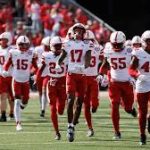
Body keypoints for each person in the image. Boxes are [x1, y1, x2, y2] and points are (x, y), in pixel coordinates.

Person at [56, 23, 93, 142]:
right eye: (77, 30)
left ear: (84, 33)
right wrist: (58, 64)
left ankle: (74, 122)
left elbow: (88, 58)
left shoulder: (87, 44)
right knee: (71, 100)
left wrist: (84, 67)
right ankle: (70, 126)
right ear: (73, 32)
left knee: (80, 101)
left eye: (81, 31)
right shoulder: (68, 43)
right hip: (71, 75)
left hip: (82, 75)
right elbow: (62, 57)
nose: (79, 33)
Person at [99, 31, 137, 140]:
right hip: (114, 83)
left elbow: (135, 65)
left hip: (127, 83)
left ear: (124, 42)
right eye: (113, 44)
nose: (115, 47)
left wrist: (134, 76)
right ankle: (116, 132)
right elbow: (105, 64)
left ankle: (130, 109)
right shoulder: (108, 50)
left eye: (118, 44)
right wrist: (102, 75)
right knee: (114, 104)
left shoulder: (130, 51)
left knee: (128, 108)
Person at [3, 35, 38, 131]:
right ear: (17, 44)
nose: (23, 47)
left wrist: (35, 73)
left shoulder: (31, 53)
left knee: (25, 100)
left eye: (25, 45)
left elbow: (35, 66)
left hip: (26, 81)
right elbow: (7, 64)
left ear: (28, 45)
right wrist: (5, 71)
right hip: (16, 80)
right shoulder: (13, 52)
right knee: (17, 100)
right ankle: (18, 123)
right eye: (21, 44)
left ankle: (20, 108)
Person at [36, 36, 67, 140]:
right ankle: (57, 132)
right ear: (51, 47)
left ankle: (58, 130)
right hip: (52, 82)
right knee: (53, 108)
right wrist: (37, 78)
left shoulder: (66, 55)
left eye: (59, 46)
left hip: (63, 82)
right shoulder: (47, 55)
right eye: (56, 46)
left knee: (61, 110)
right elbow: (41, 69)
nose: (58, 48)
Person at [129, 30, 150, 145]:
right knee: (142, 112)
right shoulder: (138, 53)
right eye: (148, 41)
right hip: (142, 84)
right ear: (143, 42)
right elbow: (131, 69)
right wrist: (138, 75)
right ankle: (142, 134)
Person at [83, 30, 104, 137]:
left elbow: (105, 61)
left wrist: (101, 73)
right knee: (86, 105)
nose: (87, 42)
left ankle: (94, 108)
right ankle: (90, 128)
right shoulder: (79, 48)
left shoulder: (97, 48)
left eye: (89, 40)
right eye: (85, 40)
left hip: (94, 78)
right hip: (83, 78)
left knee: (95, 103)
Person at [34, 36, 51, 117]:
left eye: (48, 46)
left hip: (47, 73)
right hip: (39, 73)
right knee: (40, 92)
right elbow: (33, 60)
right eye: (46, 46)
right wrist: (34, 71)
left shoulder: (52, 51)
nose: (47, 47)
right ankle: (42, 107)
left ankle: (43, 110)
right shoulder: (38, 49)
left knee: (44, 90)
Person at [0, 32, 14, 121]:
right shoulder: (12, 50)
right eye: (1, 40)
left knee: (11, 97)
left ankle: (12, 112)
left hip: (11, 75)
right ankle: (3, 115)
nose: (2, 41)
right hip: (1, 75)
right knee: (3, 96)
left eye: (4, 40)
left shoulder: (12, 50)